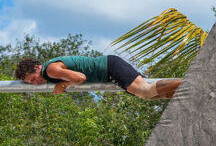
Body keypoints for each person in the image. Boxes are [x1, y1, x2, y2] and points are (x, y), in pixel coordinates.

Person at [14, 55, 181, 100]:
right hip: (109, 71)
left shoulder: (50, 70)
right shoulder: (50, 70)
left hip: (110, 68)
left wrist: (62, 85)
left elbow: (80, 78)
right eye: (31, 83)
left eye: (32, 79)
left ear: (37, 68)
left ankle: (188, 82)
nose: (35, 84)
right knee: (153, 96)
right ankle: (189, 91)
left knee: (146, 91)